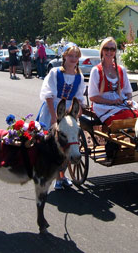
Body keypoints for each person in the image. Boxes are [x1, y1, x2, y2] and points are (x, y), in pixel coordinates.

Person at [37, 42, 86, 190]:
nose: (73, 58)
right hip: (53, 110)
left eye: (76, 56)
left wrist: (77, 114)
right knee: (51, 144)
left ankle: (62, 176)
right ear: (64, 56)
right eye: (70, 55)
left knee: (68, 144)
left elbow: (79, 98)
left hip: (69, 112)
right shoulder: (55, 72)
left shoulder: (79, 76)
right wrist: (53, 117)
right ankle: (50, 174)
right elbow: (49, 95)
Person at [88, 37, 138, 127]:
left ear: (115, 51)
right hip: (103, 106)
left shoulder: (121, 69)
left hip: (120, 103)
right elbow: (93, 97)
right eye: (106, 48)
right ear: (102, 51)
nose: (109, 52)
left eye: (112, 49)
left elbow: (128, 91)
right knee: (126, 115)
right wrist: (112, 102)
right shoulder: (96, 70)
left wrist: (129, 100)